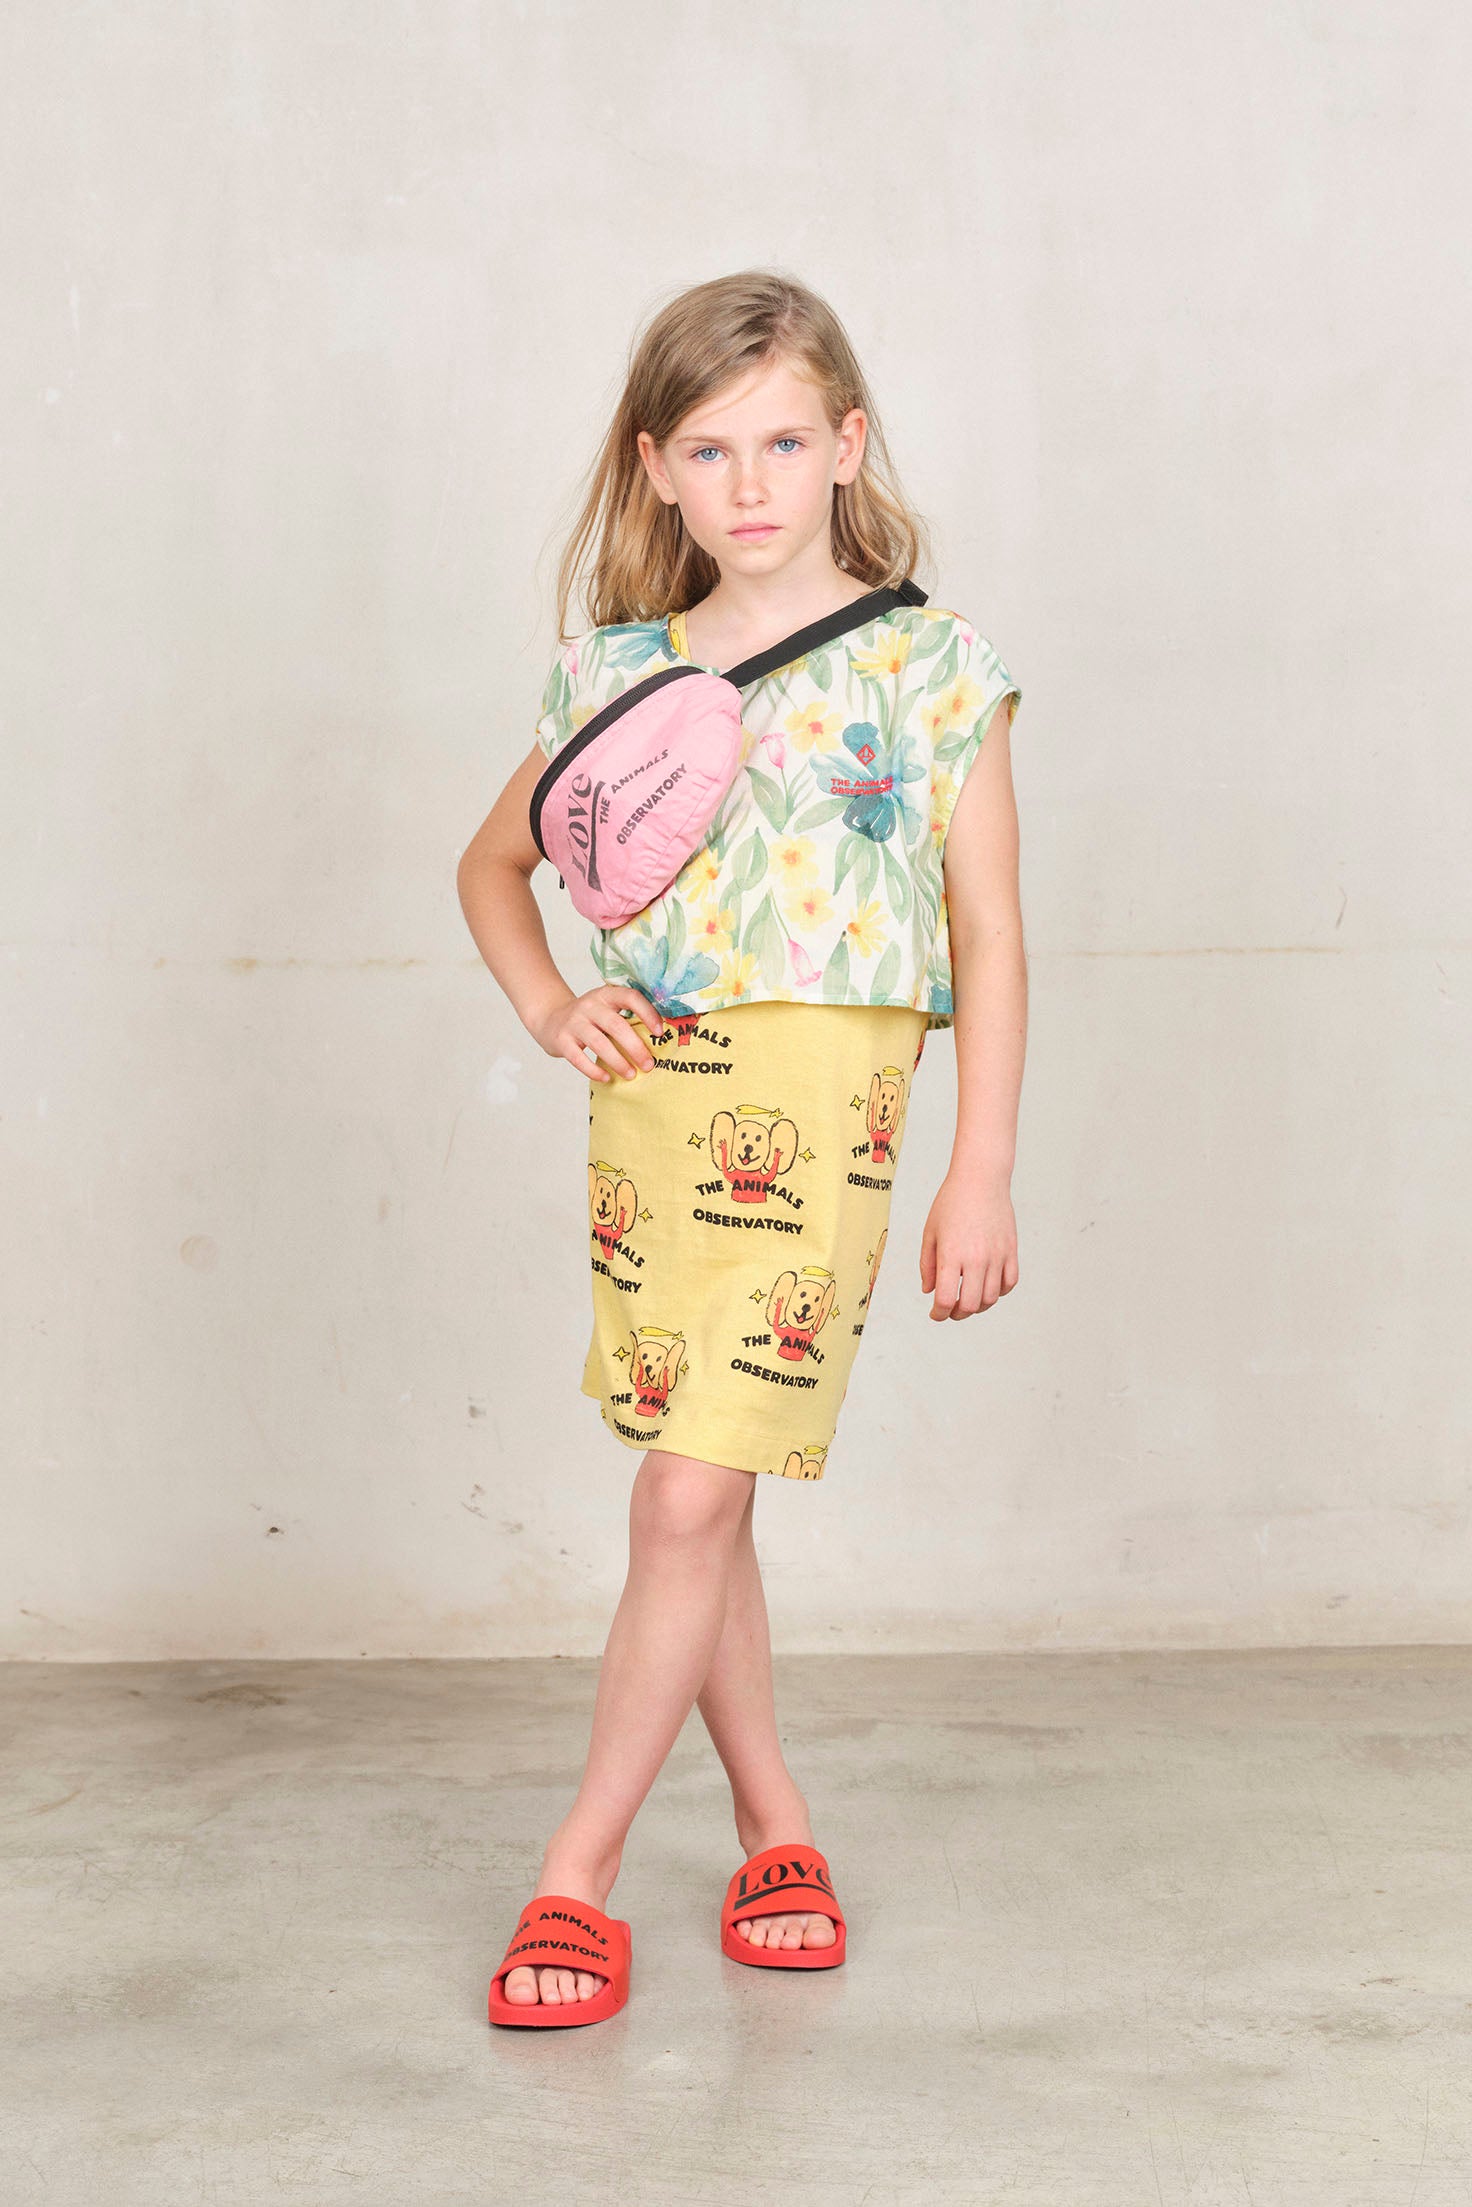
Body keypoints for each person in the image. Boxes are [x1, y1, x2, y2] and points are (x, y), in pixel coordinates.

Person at [456, 269, 1025, 2026]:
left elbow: (992, 933)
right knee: (705, 1493)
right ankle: (778, 1824)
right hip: (658, 1114)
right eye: (710, 450)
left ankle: (578, 1871)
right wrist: (554, 1005)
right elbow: (493, 866)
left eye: (783, 442)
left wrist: (981, 1167)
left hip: (824, 1116)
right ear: (657, 471)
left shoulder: (933, 667)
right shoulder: (614, 674)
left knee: (690, 1489)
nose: (752, 482)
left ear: (847, 446)